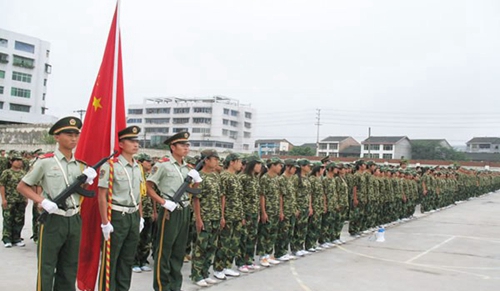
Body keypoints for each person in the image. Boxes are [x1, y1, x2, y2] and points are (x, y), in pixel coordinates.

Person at [16, 116, 97, 291]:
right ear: (57, 137)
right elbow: (22, 186)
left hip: (74, 219)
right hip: (53, 219)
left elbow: (79, 191)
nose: (73, 138)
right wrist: (42, 201)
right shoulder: (45, 162)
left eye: (76, 134)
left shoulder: (80, 166)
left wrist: (87, 180)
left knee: (69, 267)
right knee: (47, 266)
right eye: (68, 134)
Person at [146, 131, 202, 291]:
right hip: (169, 211)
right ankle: (162, 286)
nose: (186, 147)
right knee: (164, 250)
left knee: (179, 251)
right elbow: (148, 187)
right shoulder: (162, 165)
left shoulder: (188, 168)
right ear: (173, 147)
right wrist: (163, 202)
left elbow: (192, 191)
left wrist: (196, 180)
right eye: (183, 145)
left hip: (184, 210)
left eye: (187, 145)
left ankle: (175, 286)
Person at [97, 125, 145, 291]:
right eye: (131, 141)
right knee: (111, 260)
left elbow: (138, 194)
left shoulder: (138, 167)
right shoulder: (111, 166)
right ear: (121, 144)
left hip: (133, 216)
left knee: (127, 259)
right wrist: (105, 222)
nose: (135, 144)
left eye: (137, 141)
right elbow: (102, 195)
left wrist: (140, 217)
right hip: (117, 215)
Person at [190, 149, 221, 287]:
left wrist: (220, 216)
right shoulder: (199, 176)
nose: (217, 162)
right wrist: (198, 219)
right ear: (206, 160)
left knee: (211, 247)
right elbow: (196, 199)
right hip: (204, 217)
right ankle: (196, 275)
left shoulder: (215, 176)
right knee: (200, 247)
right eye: (215, 159)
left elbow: (218, 197)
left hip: (214, 216)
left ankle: (205, 273)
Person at [213, 153, 244, 280]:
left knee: (234, 242)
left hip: (236, 214)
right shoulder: (225, 176)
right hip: (228, 214)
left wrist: (241, 215)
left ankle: (227, 266)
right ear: (232, 162)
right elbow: (222, 197)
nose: (241, 165)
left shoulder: (236, 177)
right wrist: (222, 216)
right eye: (239, 162)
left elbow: (239, 197)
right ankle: (218, 268)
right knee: (224, 242)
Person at [133, 153, 155, 273]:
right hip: (138, 211)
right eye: (147, 161)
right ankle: (134, 262)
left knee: (147, 238)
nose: (149, 163)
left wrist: (154, 211)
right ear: (141, 162)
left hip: (148, 211)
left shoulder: (150, 176)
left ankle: (143, 261)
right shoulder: (137, 174)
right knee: (137, 238)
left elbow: (153, 195)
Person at [0, 154, 27, 247]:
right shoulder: (7, 172)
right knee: (8, 219)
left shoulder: (23, 173)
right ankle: (7, 239)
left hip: (20, 200)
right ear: (11, 162)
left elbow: (26, 187)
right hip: (9, 199)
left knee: (19, 219)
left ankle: (17, 238)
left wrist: (26, 198)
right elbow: (2, 185)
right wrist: (3, 199)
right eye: (16, 160)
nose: (19, 162)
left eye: (20, 160)